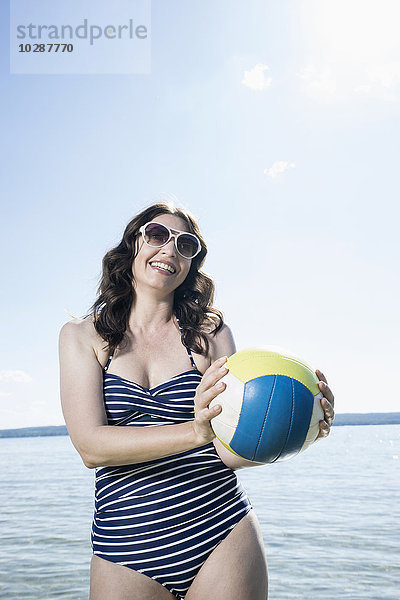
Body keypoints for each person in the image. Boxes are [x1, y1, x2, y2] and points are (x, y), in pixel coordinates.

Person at [59, 202, 335, 600]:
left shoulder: (210, 332)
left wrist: (301, 429)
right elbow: (90, 447)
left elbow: (228, 450)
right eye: (157, 235)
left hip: (222, 530)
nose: (170, 250)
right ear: (132, 245)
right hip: (126, 544)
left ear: (191, 263)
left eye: (185, 244)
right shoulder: (82, 336)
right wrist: (194, 430)